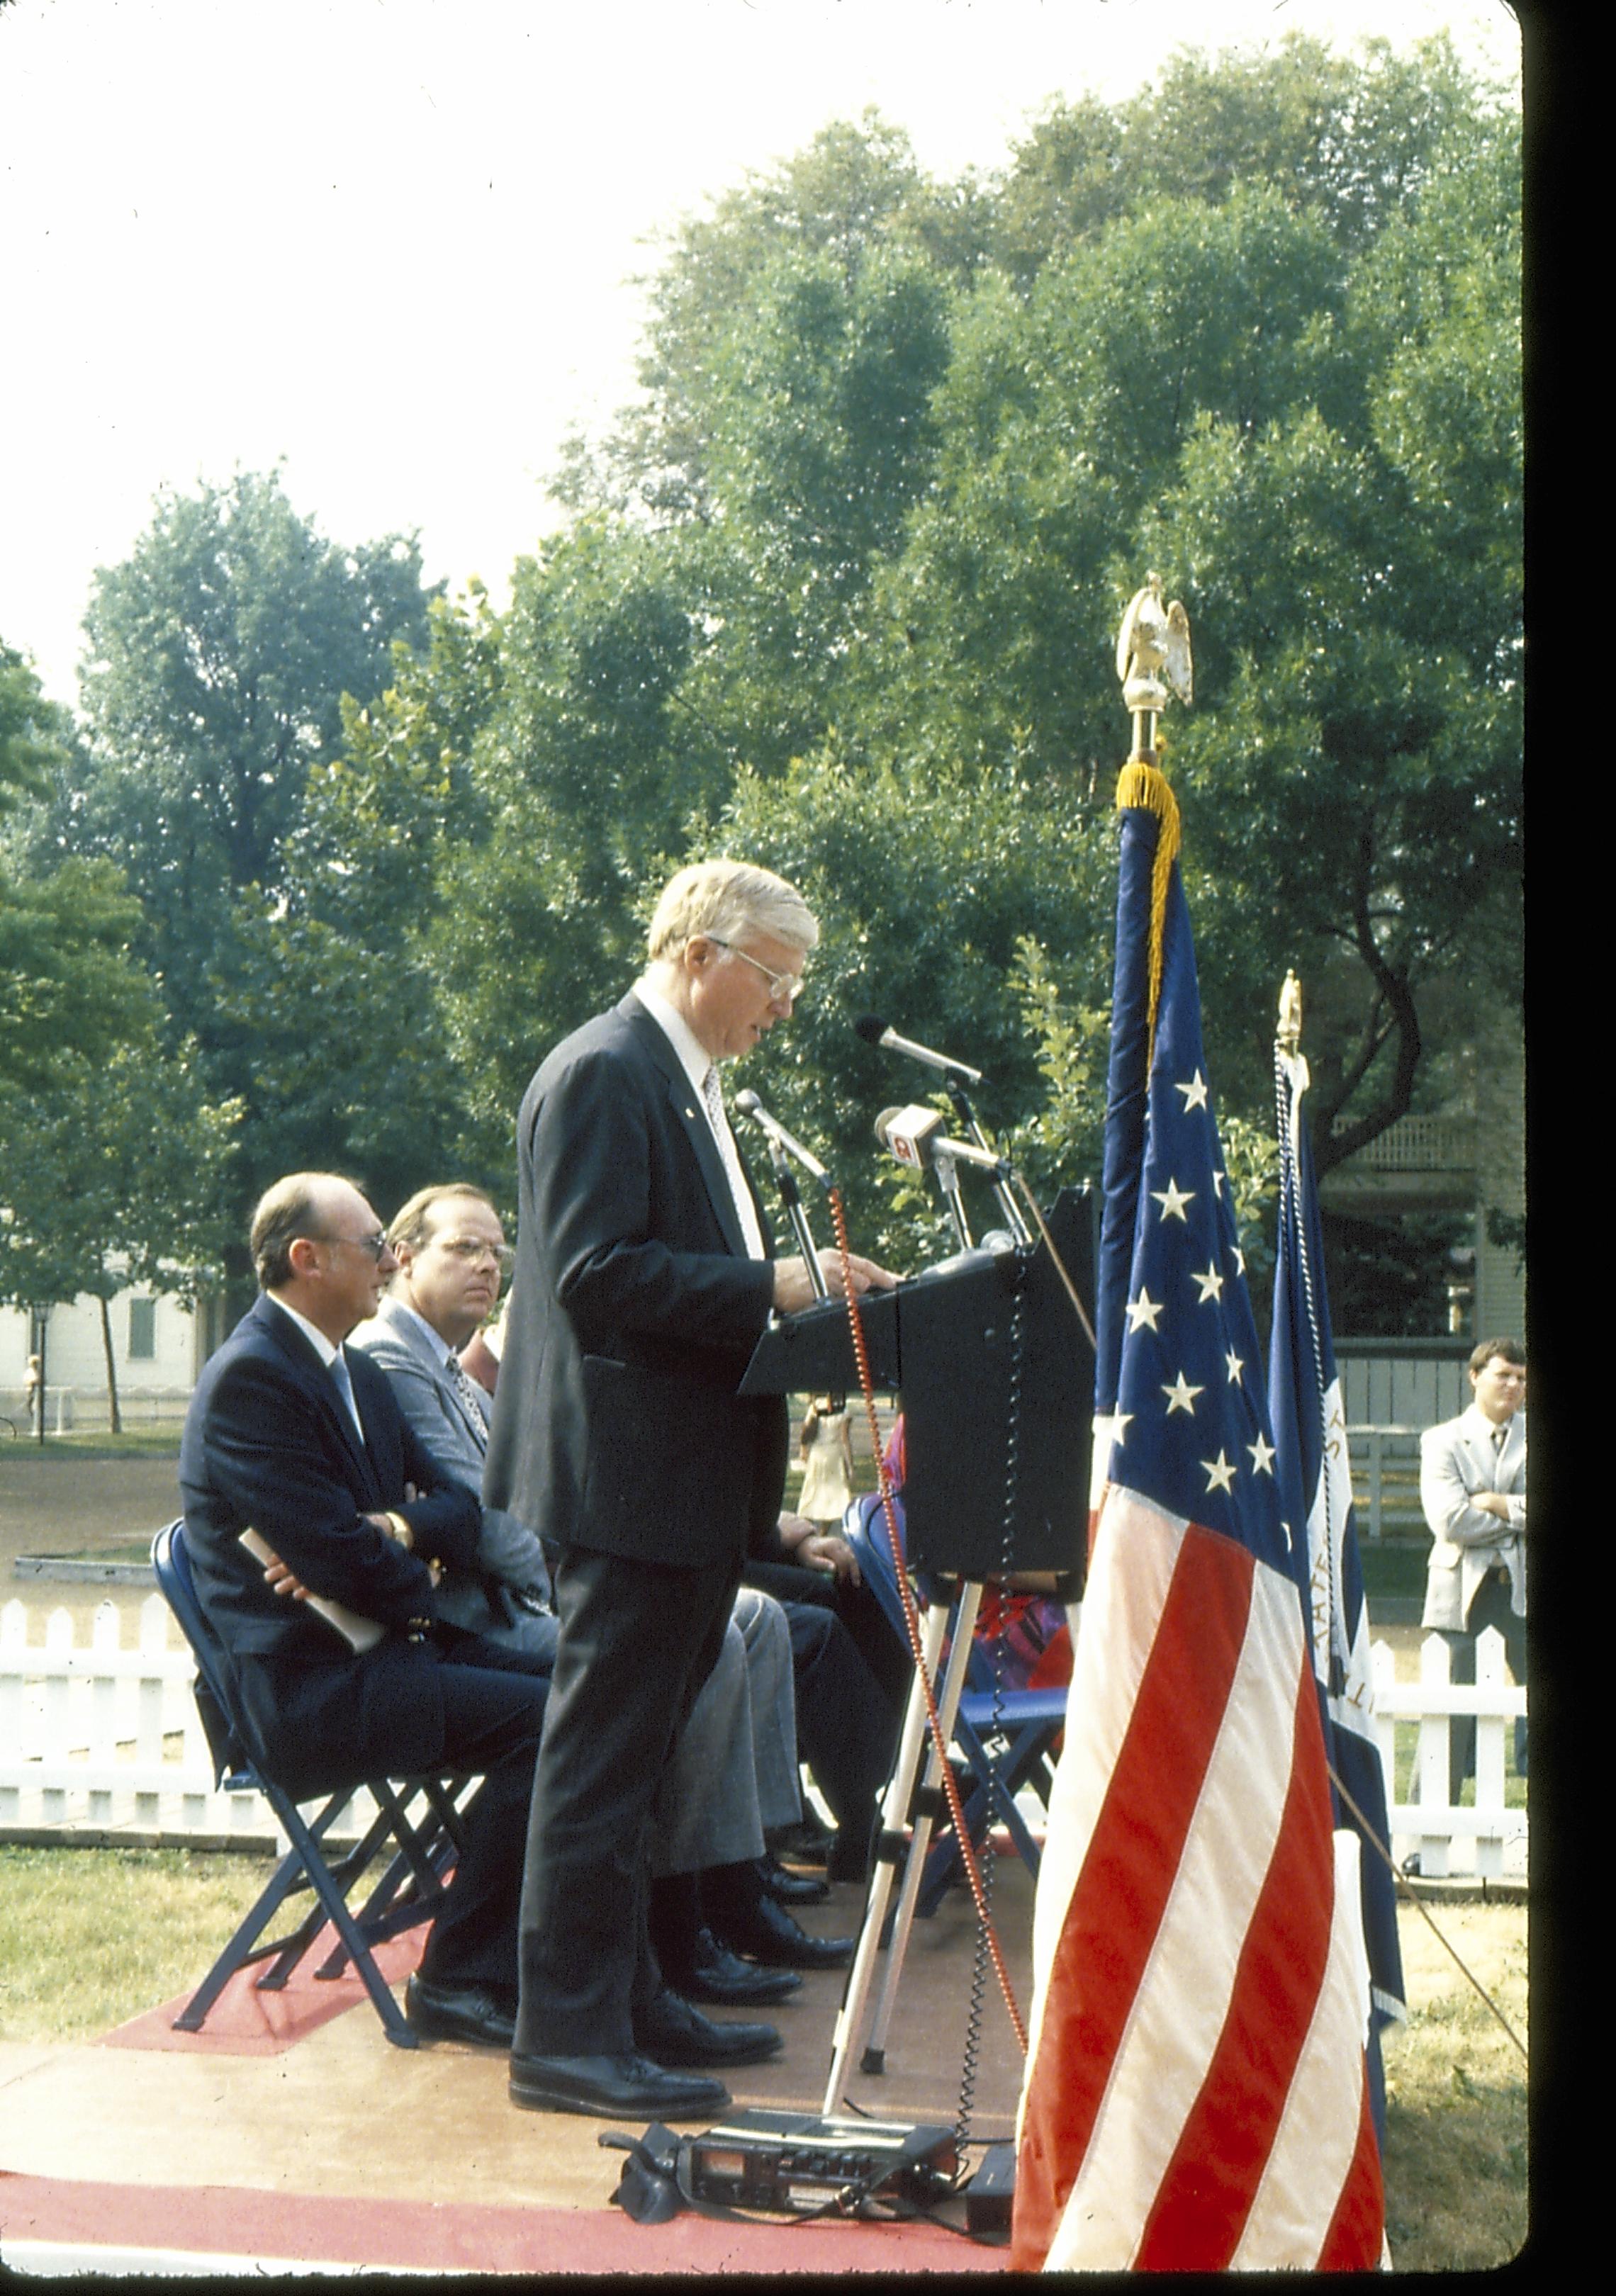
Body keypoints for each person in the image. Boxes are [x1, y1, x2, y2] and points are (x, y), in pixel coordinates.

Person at [484, 857, 894, 2120]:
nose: (784, 1006)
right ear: (704, 952)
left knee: (652, 1763)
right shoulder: (608, 1071)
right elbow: (596, 1272)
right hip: (625, 1487)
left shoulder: (687, 1079)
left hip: (679, 1485)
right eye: (777, 979)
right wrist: (777, 1285)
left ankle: (634, 1993)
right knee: (602, 1766)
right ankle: (565, 2037)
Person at [351, 1181, 835, 2008]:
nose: (486, 1265)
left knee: (733, 1619)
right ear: (403, 1256)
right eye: (461, 1248)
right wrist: (581, 1585)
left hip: (525, 1596)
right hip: (490, 1615)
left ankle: (731, 1879)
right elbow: (491, 1515)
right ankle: (684, 1917)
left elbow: (504, 1497)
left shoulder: (448, 1363)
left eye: (496, 1251)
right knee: (700, 1634)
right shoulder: (396, 1357)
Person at [178, 1172, 550, 2053]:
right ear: (307, 1259)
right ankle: (459, 1978)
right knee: (549, 1723)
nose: (390, 1258)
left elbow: (461, 1512)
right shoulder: (251, 1382)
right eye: (373, 1244)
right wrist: (388, 1557)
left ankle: (572, 1950)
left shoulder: (354, 1368)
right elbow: (343, 1560)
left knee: (595, 1684)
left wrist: (388, 1534)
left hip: (385, 1653)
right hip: (311, 1689)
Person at [1420, 1336, 1528, 1796]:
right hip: (1459, 1589)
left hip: (1524, 1585)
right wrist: (1519, 1520)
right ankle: (1429, 1834)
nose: (1513, 1385)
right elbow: (1449, 1519)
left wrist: (1498, 1503)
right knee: (1448, 1707)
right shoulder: (1442, 1441)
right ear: (1475, 1376)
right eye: (1503, 1374)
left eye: (1521, 1378)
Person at [796, 1394, 853, 1525]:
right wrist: (850, 1465)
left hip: (817, 1454)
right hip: (834, 1455)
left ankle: (808, 1529)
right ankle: (823, 1534)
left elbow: (806, 1430)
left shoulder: (815, 1407)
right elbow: (845, 1440)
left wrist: (803, 1450)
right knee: (834, 1499)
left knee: (811, 1494)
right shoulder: (844, 1411)